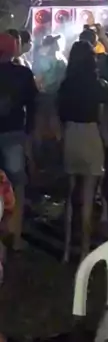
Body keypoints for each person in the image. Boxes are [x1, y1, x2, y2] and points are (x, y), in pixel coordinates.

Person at [57, 40, 108, 261]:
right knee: (88, 199)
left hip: (71, 134)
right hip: (91, 135)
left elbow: (59, 115)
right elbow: (102, 118)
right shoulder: (99, 85)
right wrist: (107, 141)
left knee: (71, 196)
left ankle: (66, 250)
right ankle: (85, 252)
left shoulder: (65, 85)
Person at [0, 32, 37, 250]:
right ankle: (14, 237)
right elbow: (33, 106)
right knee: (17, 185)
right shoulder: (23, 74)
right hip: (14, 134)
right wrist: (30, 134)